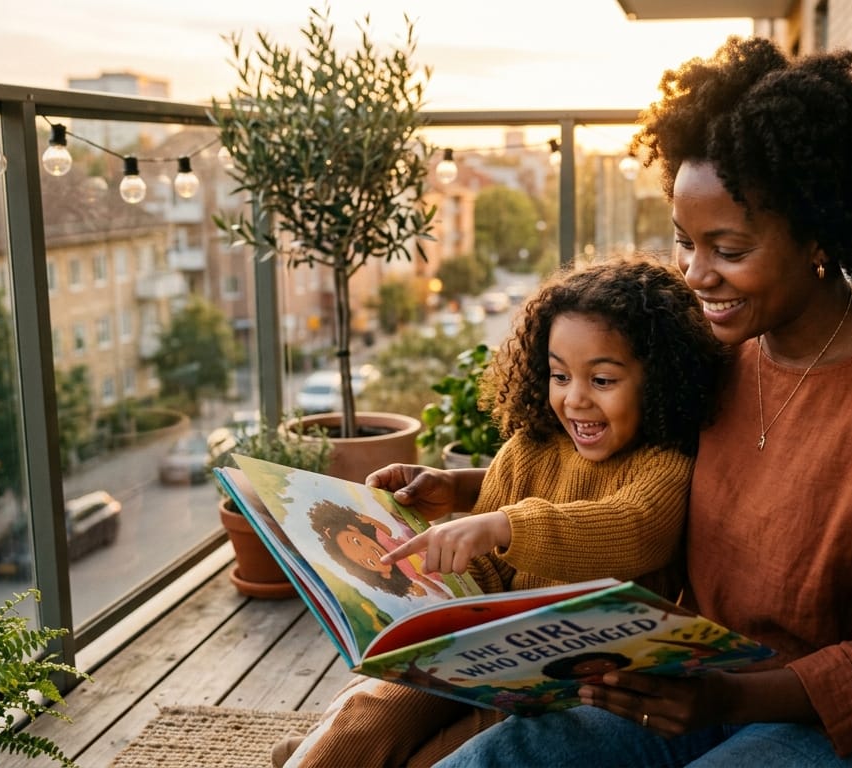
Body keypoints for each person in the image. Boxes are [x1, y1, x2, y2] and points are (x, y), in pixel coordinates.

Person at [428, 39, 852, 768]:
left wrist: (731, 700)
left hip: (847, 725)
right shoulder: (718, 351)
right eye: (684, 242)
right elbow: (620, 468)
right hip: (699, 680)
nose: (696, 275)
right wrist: (461, 491)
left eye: (728, 249)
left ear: (819, 237)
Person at [274, 256, 728, 768]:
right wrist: (431, 589)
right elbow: (487, 569)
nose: (575, 399)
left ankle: (314, 751)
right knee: (376, 709)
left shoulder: (664, 464)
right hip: (478, 648)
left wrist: (505, 524)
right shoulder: (530, 448)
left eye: (602, 380)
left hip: (567, 682)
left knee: (454, 756)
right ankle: (317, 754)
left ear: (661, 378)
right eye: (559, 375)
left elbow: (633, 529)